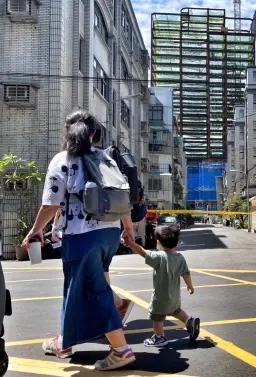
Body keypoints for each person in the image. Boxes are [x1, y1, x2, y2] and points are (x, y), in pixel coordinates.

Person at [22, 110, 136, 371]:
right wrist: (127, 228)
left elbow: (50, 203)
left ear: (68, 132)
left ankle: (121, 350)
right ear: (95, 133)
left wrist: (34, 230)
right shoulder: (106, 157)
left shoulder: (63, 160)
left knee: (91, 291)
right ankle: (65, 341)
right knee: (82, 287)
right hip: (109, 234)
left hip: (82, 236)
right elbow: (122, 195)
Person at [124, 225, 200, 346]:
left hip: (161, 297)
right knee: (176, 310)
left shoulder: (160, 257)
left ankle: (159, 337)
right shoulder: (180, 257)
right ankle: (189, 321)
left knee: (157, 316)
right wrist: (190, 286)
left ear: (158, 242)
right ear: (176, 243)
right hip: (174, 296)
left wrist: (131, 244)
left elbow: (143, 252)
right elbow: (186, 273)